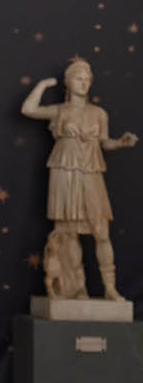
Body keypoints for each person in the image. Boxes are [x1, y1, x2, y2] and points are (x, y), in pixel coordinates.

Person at [21, 58, 137, 300]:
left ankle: (110, 288)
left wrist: (121, 142)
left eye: (87, 80)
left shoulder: (99, 113)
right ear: (68, 82)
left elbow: (104, 142)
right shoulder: (59, 110)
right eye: (78, 78)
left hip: (91, 171)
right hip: (64, 170)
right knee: (68, 233)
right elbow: (28, 110)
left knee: (101, 231)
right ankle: (75, 288)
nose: (84, 83)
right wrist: (42, 86)